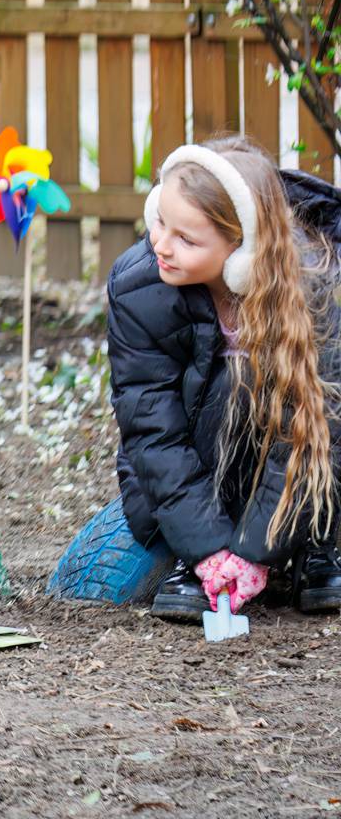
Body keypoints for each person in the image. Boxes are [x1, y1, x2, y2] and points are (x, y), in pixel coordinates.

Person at [108, 135, 341, 621]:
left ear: (244, 249)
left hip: (297, 477)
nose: (161, 245)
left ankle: (319, 540)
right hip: (195, 469)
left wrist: (256, 552)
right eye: (160, 221)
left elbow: (306, 439)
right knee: (217, 391)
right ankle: (191, 553)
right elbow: (153, 430)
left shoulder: (312, 288)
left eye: (186, 239)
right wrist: (208, 550)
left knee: (321, 415)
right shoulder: (139, 287)